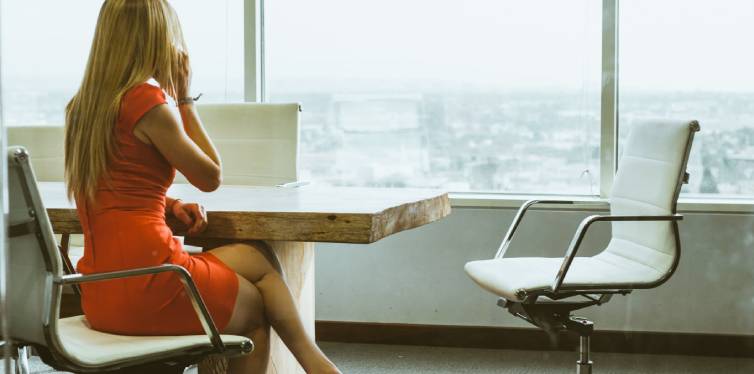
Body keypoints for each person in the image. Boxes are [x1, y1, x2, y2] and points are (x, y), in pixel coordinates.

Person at [63, 1, 340, 372]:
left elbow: (109, 191)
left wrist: (170, 204)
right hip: (152, 279)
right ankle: (317, 366)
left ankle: (315, 364)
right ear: (156, 40)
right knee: (255, 313)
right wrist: (184, 98)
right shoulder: (147, 102)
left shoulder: (81, 109)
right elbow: (210, 177)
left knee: (257, 257)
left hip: (99, 289)